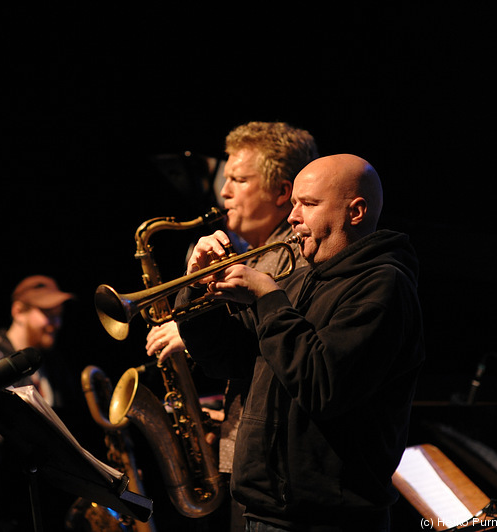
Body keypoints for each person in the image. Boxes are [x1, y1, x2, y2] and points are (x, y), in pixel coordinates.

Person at [175, 154, 425, 531]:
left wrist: (268, 300)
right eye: (293, 204)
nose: (293, 218)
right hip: (264, 511)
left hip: (326, 521)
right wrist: (195, 291)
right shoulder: (300, 279)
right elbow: (226, 359)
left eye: (308, 204)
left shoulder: (384, 287)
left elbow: (323, 386)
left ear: (355, 212)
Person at [144, 121, 319, 531]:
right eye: (226, 179)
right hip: (252, 464)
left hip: (278, 481)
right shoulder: (257, 256)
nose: (224, 191)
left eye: (239, 179)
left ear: (283, 192)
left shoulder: (292, 259)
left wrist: (188, 337)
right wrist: (223, 417)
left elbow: (283, 355)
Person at [0, 274, 81, 530]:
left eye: (58, 315)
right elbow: (2, 432)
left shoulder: (53, 363)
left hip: (42, 496)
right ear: (18, 311)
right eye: (48, 314)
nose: (55, 323)